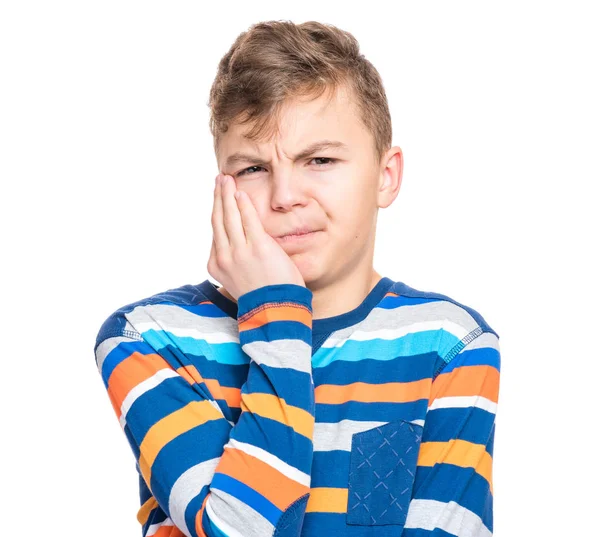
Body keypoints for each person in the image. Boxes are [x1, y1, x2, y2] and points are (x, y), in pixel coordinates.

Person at [94, 20, 501, 537]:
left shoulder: (452, 344)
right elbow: (236, 529)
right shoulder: (147, 337)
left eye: (320, 159)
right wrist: (274, 311)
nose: (285, 195)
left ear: (385, 175)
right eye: (252, 169)